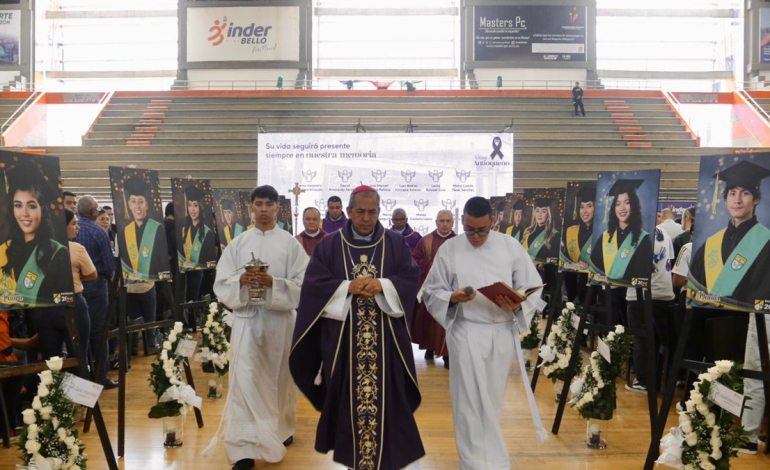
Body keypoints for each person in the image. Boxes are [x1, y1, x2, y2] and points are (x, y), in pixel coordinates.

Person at [290, 185, 425, 470]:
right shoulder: (329, 245)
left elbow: (411, 278)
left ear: (379, 212)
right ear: (349, 212)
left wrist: (384, 285)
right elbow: (313, 286)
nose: (366, 218)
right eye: (360, 212)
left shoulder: (395, 243)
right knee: (346, 399)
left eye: (372, 212)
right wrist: (346, 287)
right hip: (343, 341)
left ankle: (387, 456)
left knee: (390, 399)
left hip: (386, 341)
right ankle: (353, 456)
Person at [422, 196, 548, 469]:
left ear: (493, 222)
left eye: (481, 230)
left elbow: (533, 287)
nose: (475, 236)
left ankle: (493, 460)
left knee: (491, 400)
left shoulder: (510, 246)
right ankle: (472, 463)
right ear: (462, 222)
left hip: (500, 331)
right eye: (468, 229)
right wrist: (452, 297)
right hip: (466, 331)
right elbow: (431, 292)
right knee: (467, 403)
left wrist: (515, 303)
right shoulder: (450, 248)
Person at [207, 185, 309, 470]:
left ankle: (281, 430)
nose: (263, 209)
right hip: (247, 322)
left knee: (279, 380)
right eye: (259, 204)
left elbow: (305, 287)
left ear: (277, 208)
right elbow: (221, 282)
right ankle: (243, 449)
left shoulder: (291, 245)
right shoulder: (237, 244)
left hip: (279, 323)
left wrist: (272, 284)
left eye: (269, 204)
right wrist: (240, 281)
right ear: (250, 207)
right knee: (245, 383)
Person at [690, 160, 770, 307]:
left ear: (756, 199)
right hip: (708, 320)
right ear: (725, 199)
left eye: (745, 193)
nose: (737, 200)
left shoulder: (766, 242)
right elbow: (696, 290)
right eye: (732, 193)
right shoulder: (710, 244)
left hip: (749, 322)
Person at [0, 159, 70, 307]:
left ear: (42, 210)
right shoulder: (3, 251)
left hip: (46, 323)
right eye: (18, 205)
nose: (24, 213)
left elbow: (60, 299)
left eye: (31, 206)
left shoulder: (56, 253)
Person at [35, 208, 93, 361]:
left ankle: (52, 386)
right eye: (74, 224)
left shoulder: (35, 250)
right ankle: (77, 384)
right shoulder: (75, 248)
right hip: (71, 306)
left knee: (51, 362)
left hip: (44, 308)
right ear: (62, 226)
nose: (77, 227)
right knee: (78, 357)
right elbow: (92, 273)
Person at [625, 227, 676, 393]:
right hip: (665, 293)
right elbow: (669, 261)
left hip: (640, 294)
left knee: (641, 339)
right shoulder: (664, 233)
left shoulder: (630, 234)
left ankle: (644, 381)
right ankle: (667, 379)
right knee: (663, 341)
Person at [75, 195, 118, 389]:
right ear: (93, 211)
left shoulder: (66, 231)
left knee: (78, 333)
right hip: (96, 284)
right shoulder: (99, 232)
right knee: (99, 331)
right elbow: (109, 266)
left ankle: (82, 378)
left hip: (73, 286)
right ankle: (101, 376)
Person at [411, 209, 455, 367]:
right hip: (429, 288)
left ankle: (447, 355)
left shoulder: (458, 242)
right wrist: (432, 266)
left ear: (453, 223)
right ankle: (429, 348)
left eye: (447, 221)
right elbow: (415, 258)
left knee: (446, 322)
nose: (444, 224)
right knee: (428, 320)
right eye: (441, 221)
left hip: (450, 289)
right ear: (436, 222)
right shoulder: (426, 240)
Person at [590, 179, 653, 285]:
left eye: (627, 203)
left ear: (634, 206)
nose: (622, 208)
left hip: (631, 296)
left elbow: (643, 273)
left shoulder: (643, 239)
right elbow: (595, 270)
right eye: (618, 204)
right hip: (606, 295)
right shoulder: (605, 237)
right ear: (614, 208)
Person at [117, 176, 168, 281]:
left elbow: (162, 261)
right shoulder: (125, 232)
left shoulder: (158, 229)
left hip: (154, 282)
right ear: (129, 205)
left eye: (141, 201)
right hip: (132, 284)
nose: (137, 206)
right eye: (133, 201)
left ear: (146, 205)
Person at [561, 187, 595, 304]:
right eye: (582, 207)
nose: (584, 211)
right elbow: (565, 257)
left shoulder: (602, 233)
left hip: (593, 285)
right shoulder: (570, 230)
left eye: (589, 206)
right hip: (573, 280)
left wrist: (589, 265)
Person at [179, 185, 216, 271]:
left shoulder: (208, 233)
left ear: (200, 207)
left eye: (195, 205)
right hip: (187, 275)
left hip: (203, 275)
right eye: (189, 205)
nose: (192, 209)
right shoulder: (184, 231)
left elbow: (210, 261)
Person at [521, 198, 561, 263]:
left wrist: (542, 264)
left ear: (548, 214)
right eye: (537, 211)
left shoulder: (554, 235)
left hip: (542, 271)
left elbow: (555, 260)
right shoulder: (527, 231)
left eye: (543, 211)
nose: (539, 214)